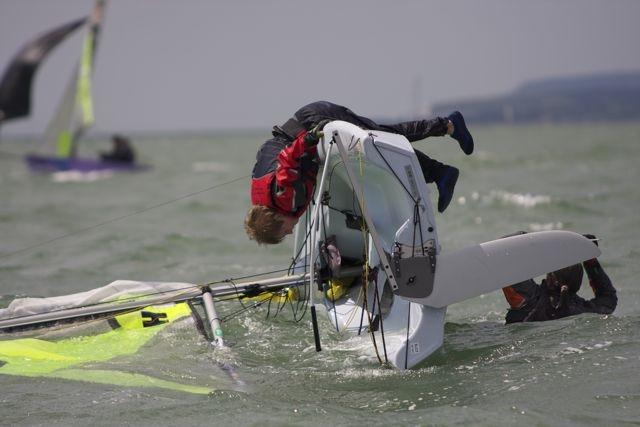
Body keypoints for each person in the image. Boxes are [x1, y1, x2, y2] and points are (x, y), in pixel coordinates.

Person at [245, 100, 475, 244]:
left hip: (314, 121)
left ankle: (449, 125)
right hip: (306, 121)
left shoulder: (283, 197)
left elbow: (287, 158)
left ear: (276, 218)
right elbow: (269, 151)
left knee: (381, 139)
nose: (289, 232)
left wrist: (309, 138)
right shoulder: (263, 202)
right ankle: (441, 173)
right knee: (381, 143)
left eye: (284, 231)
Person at [501, 233, 617, 323]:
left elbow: (505, 249)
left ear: (552, 279)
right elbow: (608, 297)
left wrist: (527, 238)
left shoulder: (532, 301)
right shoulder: (586, 310)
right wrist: (590, 261)